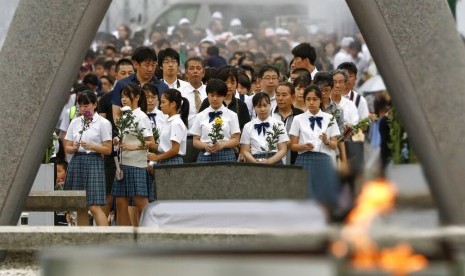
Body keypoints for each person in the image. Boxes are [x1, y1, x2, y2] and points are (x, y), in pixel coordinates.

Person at [63, 91, 112, 226]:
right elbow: (67, 146)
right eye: (81, 106)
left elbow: (108, 149)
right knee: (80, 206)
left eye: (87, 105)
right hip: (77, 160)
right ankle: (84, 242)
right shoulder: (75, 122)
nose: (83, 109)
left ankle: (106, 239)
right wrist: (73, 148)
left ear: (95, 105)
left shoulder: (103, 123)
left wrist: (92, 146)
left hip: (94, 161)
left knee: (94, 206)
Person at [289, 85, 340, 207]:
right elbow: (292, 145)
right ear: (304, 100)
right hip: (304, 158)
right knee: (304, 192)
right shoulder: (298, 119)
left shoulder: (330, 118)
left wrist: (326, 141)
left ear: (321, 100)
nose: (311, 102)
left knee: (323, 192)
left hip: (323, 158)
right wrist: (303, 147)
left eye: (315, 99)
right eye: (308, 99)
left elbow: (335, 145)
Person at [112, 83, 156, 226]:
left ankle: (151, 233)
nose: (123, 99)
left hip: (137, 164)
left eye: (127, 95)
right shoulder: (126, 116)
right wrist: (118, 141)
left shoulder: (141, 116)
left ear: (137, 97)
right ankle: (123, 239)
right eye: (122, 96)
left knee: (140, 202)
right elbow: (128, 138)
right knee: (120, 202)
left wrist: (132, 146)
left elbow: (151, 142)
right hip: (122, 164)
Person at [112, 46, 169, 124]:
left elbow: (166, 114)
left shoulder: (162, 87)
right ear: (136, 64)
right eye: (147, 65)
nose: (150, 69)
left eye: (153, 65)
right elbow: (117, 115)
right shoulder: (122, 84)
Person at [192, 79, 240, 163]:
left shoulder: (232, 115)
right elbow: (195, 141)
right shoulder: (200, 116)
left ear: (224, 96)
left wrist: (222, 145)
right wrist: (205, 146)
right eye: (212, 95)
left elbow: (236, 139)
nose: (215, 99)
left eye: (218, 96)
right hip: (205, 154)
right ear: (207, 95)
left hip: (226, 154)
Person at [240, 92, 288, 164]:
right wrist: (255, 162)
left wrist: (269, 161)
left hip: (275, 160)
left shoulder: (279, 124)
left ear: (270, 105)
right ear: (254, 107)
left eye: (265, 105)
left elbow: (283, 149)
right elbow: (245, 150)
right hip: (254, 160)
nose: (262, 109)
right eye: (259, 106)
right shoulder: (248, 126)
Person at [199, 66, 250, 130]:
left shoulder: (241, 105)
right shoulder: (209, 101)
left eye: (232, 83)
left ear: (237, 83)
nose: (229, 86)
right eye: (226, 83)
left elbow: (246, 128)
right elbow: (199, 123)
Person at [147, 88, 188, 165]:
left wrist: (157, 157)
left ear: (173, 104)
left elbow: (175, 150)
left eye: (163, 102)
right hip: (165, 159)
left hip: (173, 161)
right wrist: (150, 145)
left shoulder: (176, 123)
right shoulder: (168, 121)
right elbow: (165, 147)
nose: (161, 105)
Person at [180, 57, 207, 163]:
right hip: (187, 140)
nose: (195, 71)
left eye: (198, 68)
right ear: (186, 73)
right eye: (191, 68)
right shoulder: (179, 93)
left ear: (203, 72)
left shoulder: (211, 93)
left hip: (206, 142)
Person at [270, 82, 304, 165]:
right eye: (278, 95)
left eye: (284, 95)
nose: (280, 98)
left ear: (293, 98)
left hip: (295, 161)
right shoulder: (269, 114)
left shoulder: (300, 115)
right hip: (272, 161)